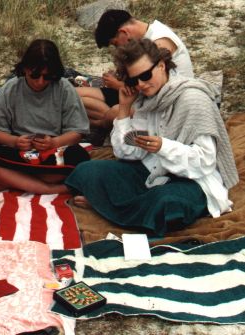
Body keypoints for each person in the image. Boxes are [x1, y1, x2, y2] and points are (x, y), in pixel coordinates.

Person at [65, 39, 238, 236]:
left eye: (146, 75)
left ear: (162, 66)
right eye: (133, 80)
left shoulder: (193, 99)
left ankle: (106, 205)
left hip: (191, 180)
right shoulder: (145, 100)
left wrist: (163, 147)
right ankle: (122, 209)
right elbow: (129, 152)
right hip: (152, 170)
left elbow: (205, 161)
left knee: (167, 204)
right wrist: (123, 110)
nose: (141, 84)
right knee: (87, 171)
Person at [0, 39, 90, 194]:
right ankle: (46, 187)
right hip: (20, 151)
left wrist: (54, 142)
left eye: (47, 76)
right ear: (25, 69)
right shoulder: (12, 87)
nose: (40, 82)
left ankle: (14, 181)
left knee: (79, 158)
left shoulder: (64, 88)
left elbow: (78, 132)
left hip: (54, 152)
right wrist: (15, 141)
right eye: (35, 75)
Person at [77, 9, 194, 145]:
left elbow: (152, 86)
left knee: (113, 113)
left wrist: (117, 85)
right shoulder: (149, 34)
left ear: (124, 33)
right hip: (137, 93)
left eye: (115, 44)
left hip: (161, 102)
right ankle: (101, 121)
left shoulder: (160, 41)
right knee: (76, 95)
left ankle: (103, 124)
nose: (117, 49)